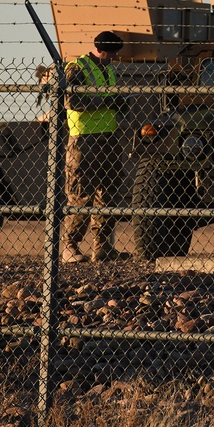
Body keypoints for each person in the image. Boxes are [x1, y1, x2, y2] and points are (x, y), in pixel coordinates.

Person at [62, 30, 131, 263]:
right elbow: (73, 101)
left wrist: (118, 103)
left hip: (108, 137)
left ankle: (101, 246)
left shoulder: (107, 68)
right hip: (83, 139)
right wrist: (107, 101)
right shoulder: (78, 68)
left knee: (108, 192)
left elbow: (109, 99)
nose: (114, 57)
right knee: (80, 195)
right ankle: (69, 246)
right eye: (111, 52)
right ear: (100, 49)